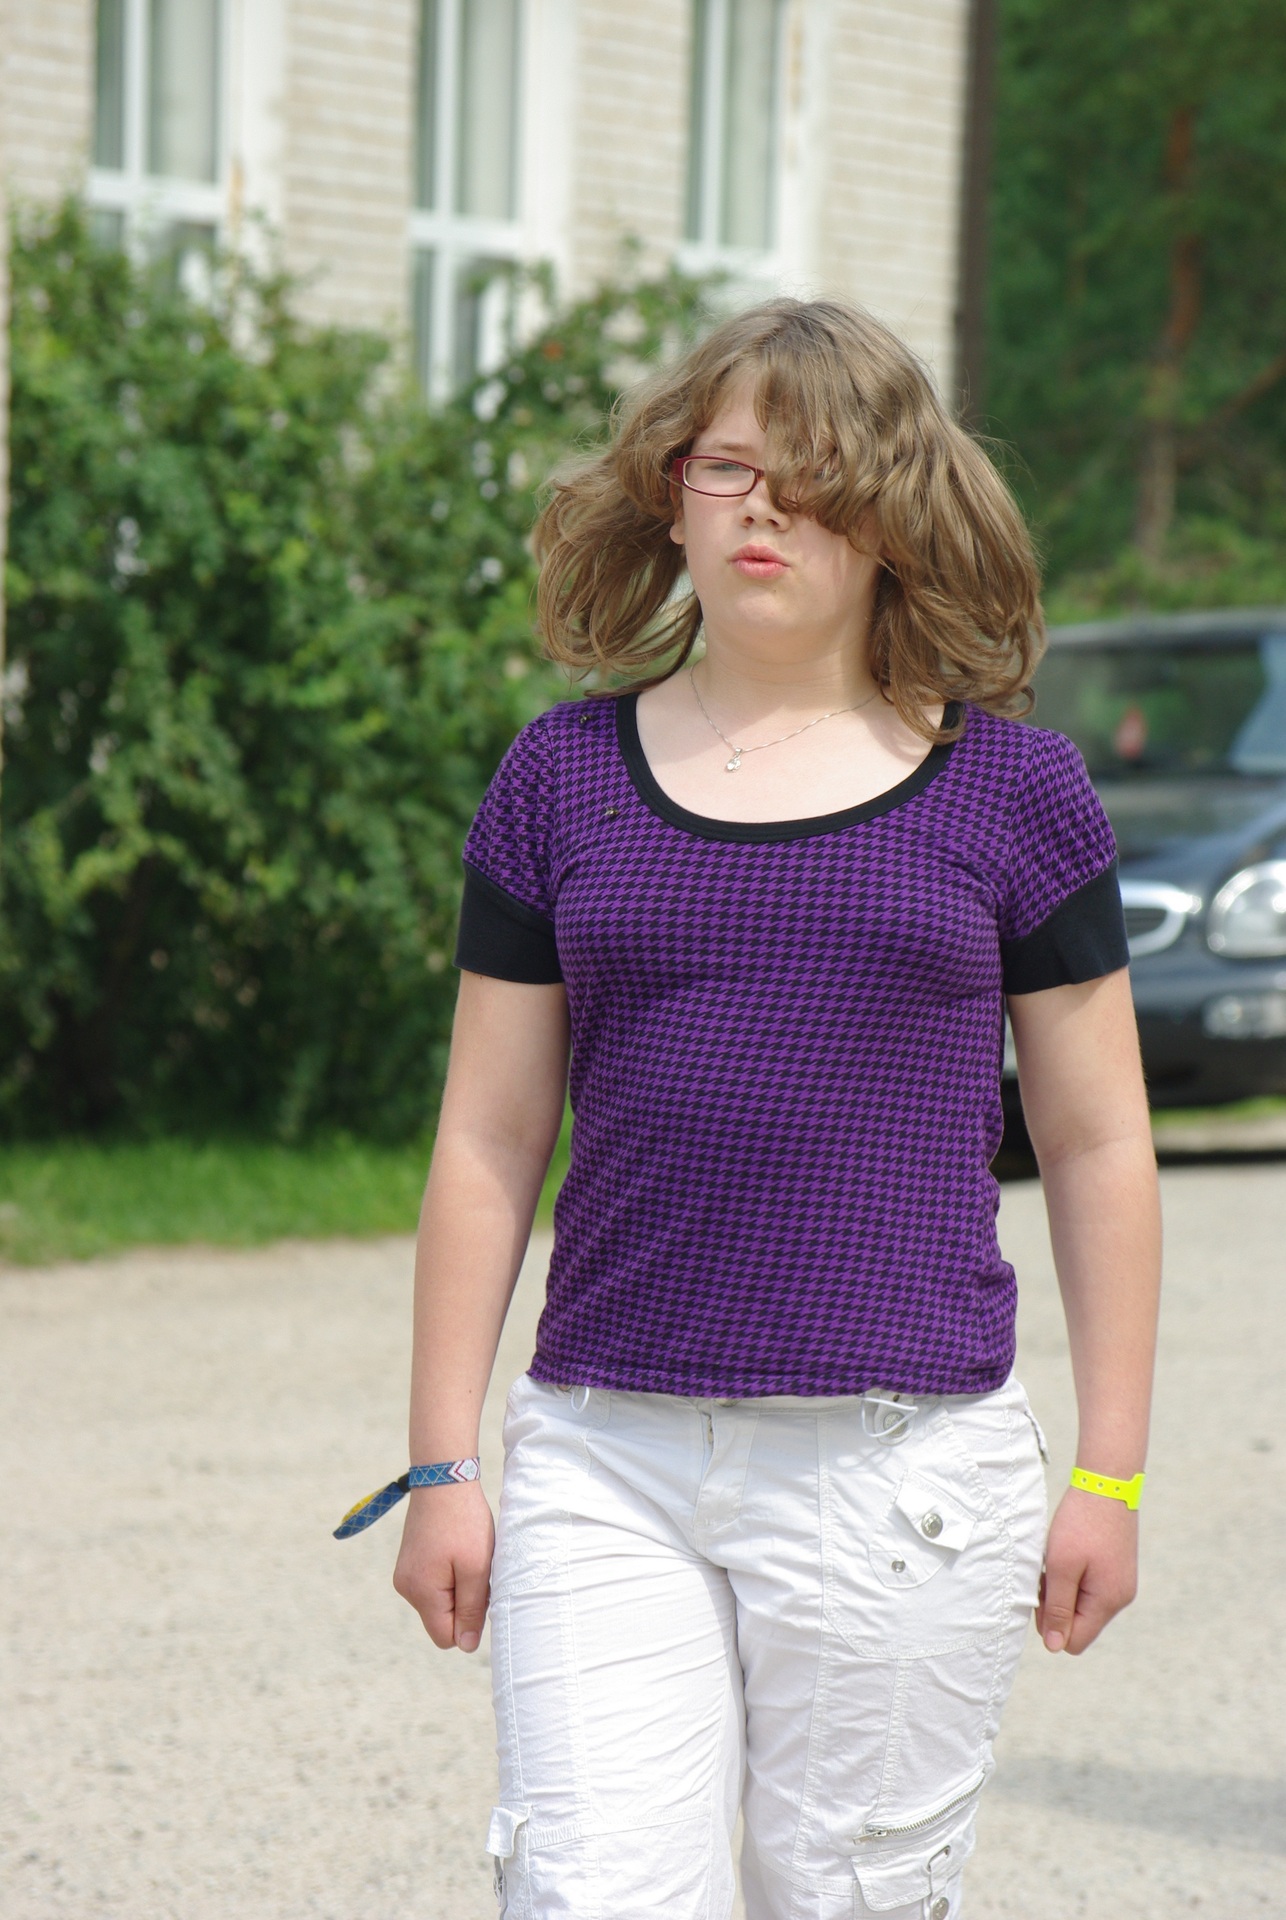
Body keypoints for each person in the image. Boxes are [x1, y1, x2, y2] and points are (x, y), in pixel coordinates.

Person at [387, 299, 1161, 1919]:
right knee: (589, 1892)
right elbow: (486, 1139)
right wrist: (440, 1462)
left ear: (894, 518)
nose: (765, 510)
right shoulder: (556, 782)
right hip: (605, 1457)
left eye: (817, 479)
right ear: (669, 492)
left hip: (901, 1475)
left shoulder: (1017, 794)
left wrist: (1111, 1474)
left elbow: (1096, 1144)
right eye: (728, 466)